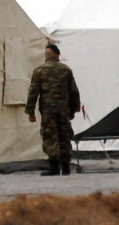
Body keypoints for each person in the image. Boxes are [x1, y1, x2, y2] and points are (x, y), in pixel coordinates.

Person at [25, 43, 81, 176]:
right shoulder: (66, 70)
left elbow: (33, 92)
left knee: (50, 136)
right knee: (64, 136)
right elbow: (74, 92)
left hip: (48, 110)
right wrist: (74, 110)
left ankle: (54, 167)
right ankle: (66, 167)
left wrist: (30, 111)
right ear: (58, 54)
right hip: (64, 110)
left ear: (46, 55)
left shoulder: (39, 71)